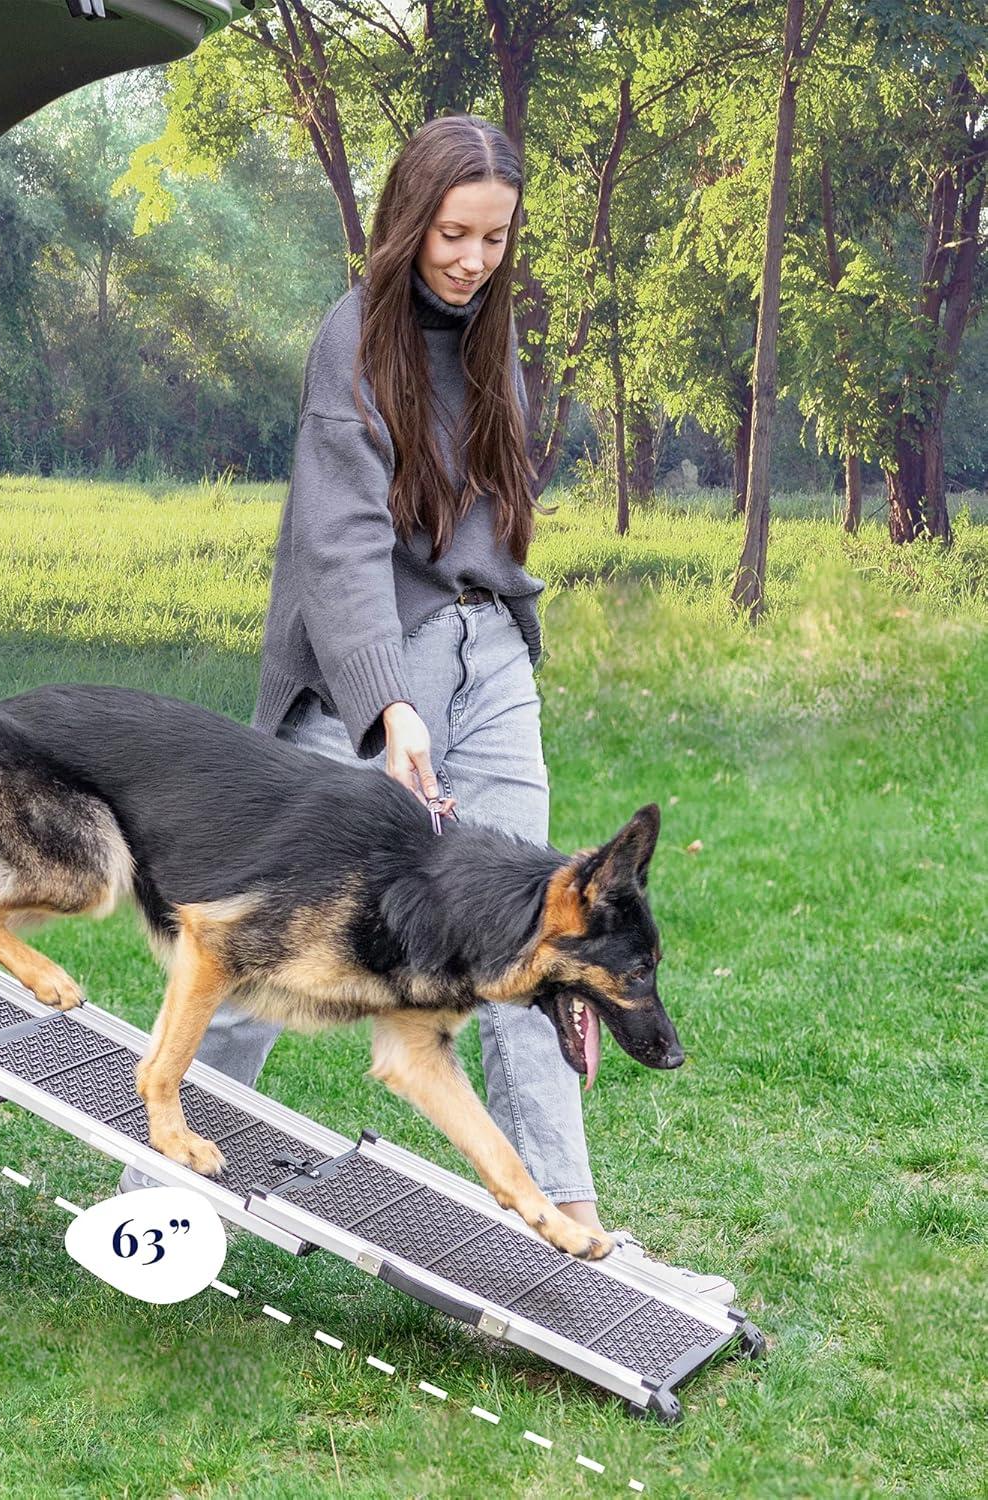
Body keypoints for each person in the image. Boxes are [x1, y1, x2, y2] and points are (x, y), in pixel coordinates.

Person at [123, 115, 732, 1301]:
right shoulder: (352, 338)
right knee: (262, 943)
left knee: (539, 941)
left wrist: (490, 635)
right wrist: (390, 707)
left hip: (486, 651)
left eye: (494, 238)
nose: (471, 259)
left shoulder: (495, 335)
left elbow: (488, 510)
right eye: (454, 234)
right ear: (410, 221)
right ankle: (158, 1193)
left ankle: (574, 1229)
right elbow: (340, 544)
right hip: (373, 661)